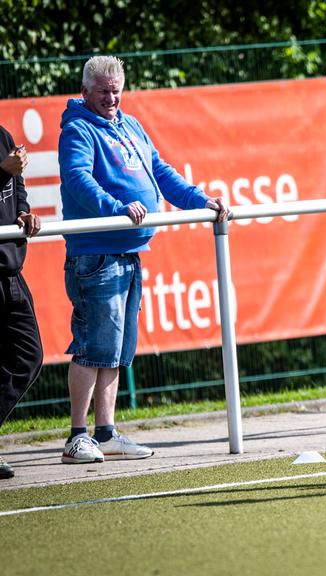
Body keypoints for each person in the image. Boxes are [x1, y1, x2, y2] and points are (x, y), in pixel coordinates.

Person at [58, 56, 230, 464]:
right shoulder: (77, 129)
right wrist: (117, 207)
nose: (112, 97)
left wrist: (198, 199)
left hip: (131, 252)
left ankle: (106, 432)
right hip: (96, 255)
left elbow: (160, 170)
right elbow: (78, 179)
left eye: (117, 89)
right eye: (103, 91)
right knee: (92, 347)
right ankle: (76, 436)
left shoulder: (130, 125)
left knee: (117, 350)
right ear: (85, 91)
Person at [0, 126, 43, 479]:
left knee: (29, 356)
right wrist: (2, 172)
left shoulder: (3, 134)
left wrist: (23, 214)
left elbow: (19, 188)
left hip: (11, 270)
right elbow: (7, 176)